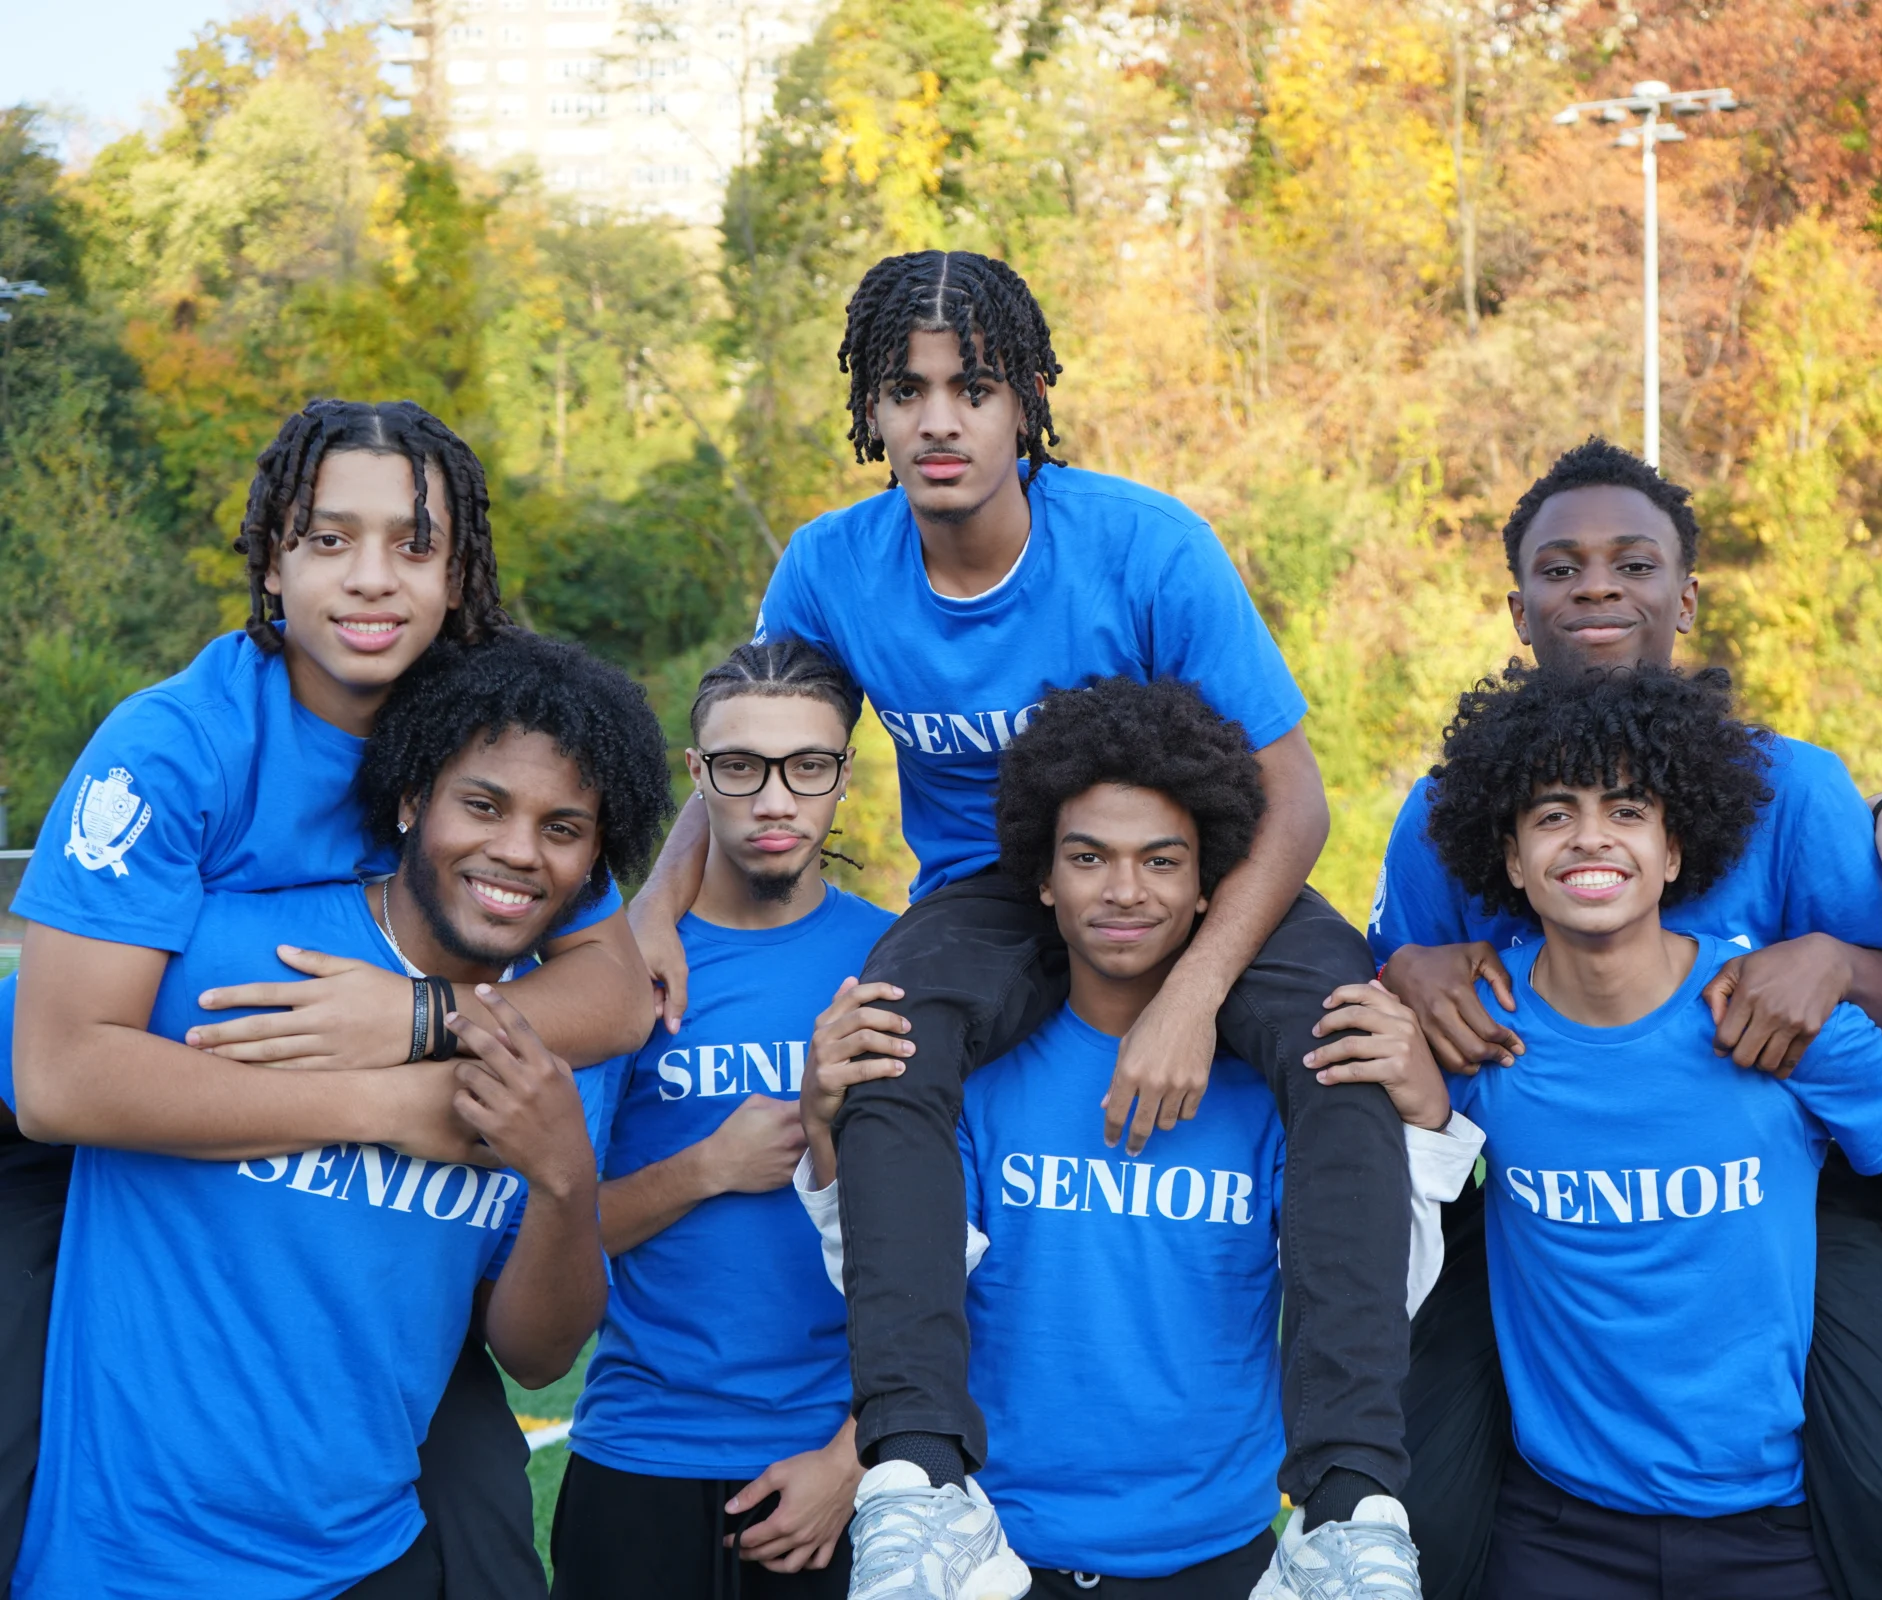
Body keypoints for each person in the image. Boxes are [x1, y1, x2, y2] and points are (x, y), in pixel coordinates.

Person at [630, 251, 1415, 1597]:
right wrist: (655, 903)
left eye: (973, 388)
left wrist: (1195, 993)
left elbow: (1296, 799)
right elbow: (762, 737)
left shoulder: (1143, 545)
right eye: (908, 389)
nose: (940, 419)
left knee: (1344, 1042)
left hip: (1195, 874)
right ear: (870, 412)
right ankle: (920, 1474)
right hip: (997, 896)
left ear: (1027, 405)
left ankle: (1349, 1503)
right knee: (881, 1041)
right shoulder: (831, 566)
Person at [2, 400, 653, 1594]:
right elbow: (57, 1078)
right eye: (328, 538)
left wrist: (419, 1022)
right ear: (272, 558)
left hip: (369, 1091)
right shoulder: (179, 744)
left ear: (461, 574)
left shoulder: (488, 737)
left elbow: (613, 992)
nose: (373, 581)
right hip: (57, 1115)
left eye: (415, 545)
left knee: (475, 1524)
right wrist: (393, 1103)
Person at [1369, 438, 1882, 1600]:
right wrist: (1411, 964)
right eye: (1561, 568)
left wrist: (1831, 958)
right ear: (1519, 610)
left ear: (1686, 596)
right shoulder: (1454, 802)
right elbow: (1395, 972)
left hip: (1781, 1171)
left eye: (1632, 563)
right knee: (1429, 1510)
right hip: (1541, 1161)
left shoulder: (1789, 785)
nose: (1596, 586)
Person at [796, 676, 1482, 1598]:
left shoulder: (1277, 1087)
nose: (1125, 891)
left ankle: (1344, 1519)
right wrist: (824, 1119)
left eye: (1162, 862)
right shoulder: (977, 1073)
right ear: (1042, 877)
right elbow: (888, 1273)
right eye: (1089, 859)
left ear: (1210, 887)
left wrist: (1425, 1117)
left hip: (1213, 1558)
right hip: (992, 1553)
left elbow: (1377, 1288)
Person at [1420, 661, 1882, 1599]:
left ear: (1671, 853)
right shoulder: (1480, 1033)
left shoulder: (1770, 1012)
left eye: (1626, 811)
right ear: (1510, 860)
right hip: (1556, 1528)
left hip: (1772, 1529)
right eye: (1551, 815)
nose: (1588, 838)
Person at [550, 641, 894, 1599]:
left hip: (832, 1467)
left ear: (841, 778)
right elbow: (553, 1238)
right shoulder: (622, 970)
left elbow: (955, 1258)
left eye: (808, 767)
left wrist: (853, 1458)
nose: (775, 800)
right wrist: (706, 1166)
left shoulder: (895, 962)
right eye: (740, 767)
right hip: (642, 1451)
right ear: (700, 777)